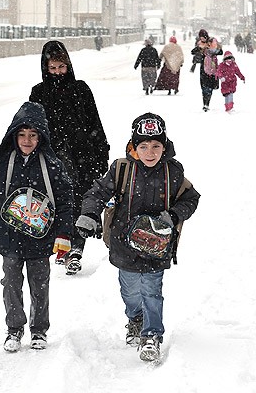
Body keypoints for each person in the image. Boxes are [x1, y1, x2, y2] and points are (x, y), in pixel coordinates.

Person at [75, 113, 200, 362]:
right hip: (124, 244)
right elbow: (96, 193)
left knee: (152, 291)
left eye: (156, 146)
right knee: (130, 291)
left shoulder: (173, 172)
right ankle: (135, 319)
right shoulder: (121, 169)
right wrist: (90, 214)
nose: (150, 152)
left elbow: (191, 198)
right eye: (143, 146)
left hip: (157, 245)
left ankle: (151, 334)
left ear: (164, 146)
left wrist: (173, 215)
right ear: (134, 146)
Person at [0, 101, 74, 353]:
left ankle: (39, 330)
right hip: (9, 237)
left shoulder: (52, 165)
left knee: (40, 284)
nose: (27, 140)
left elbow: (64, 201)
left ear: (41, 137)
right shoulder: (0, 163)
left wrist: (63, 234)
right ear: (13, 135)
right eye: (22, 135)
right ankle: (14, 328)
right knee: (11, 282)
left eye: (32, 135)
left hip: (41, 238)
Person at [29, 40, 110, 275]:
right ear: (46, 68)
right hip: (51, 157)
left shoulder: (81, 89)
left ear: (68, 66)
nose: (57, 73)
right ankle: (59, 243)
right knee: (54, 203)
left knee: (78, 201)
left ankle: (75, 249)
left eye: (61, 68)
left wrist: (100, 150)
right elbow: (31, 125)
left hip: (81, 157)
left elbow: (94, 121)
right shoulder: (39, 92)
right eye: (52, 69)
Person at [192, 32, 223, 111]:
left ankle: (207, 103)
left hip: (213, 68)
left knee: (210, 87)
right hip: (203, 69)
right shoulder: (200, 45)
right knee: (204, 87)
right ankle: (205, 103)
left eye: (203, 37)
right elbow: (193, 52)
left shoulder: (212, 42)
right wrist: (199, 48)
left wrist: (211, 50)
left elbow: (220, 52)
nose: (202, 39)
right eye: (200, 37)